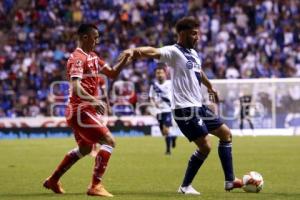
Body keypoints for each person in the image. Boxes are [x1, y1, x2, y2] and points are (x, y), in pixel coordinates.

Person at [120, 16, 243, 195]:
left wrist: (211, 87)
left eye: (198, 34)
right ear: (183, 34)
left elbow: (199, 72)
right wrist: (135, 50)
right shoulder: (174, 51)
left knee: (226, 134)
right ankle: (185, 187)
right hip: (184, 109)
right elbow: (153, 51)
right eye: (194, 34)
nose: (197, 37)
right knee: (205, 147)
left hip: (198, 106)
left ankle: (229, 181)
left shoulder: (193, 54)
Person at [43, 23, 129, 197]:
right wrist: (93, 99)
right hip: (80, 109)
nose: (97, 41)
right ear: (84, 37)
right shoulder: (77, 58)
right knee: (109, 141)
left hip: (81, 110)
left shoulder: (93, 57)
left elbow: (112, 73)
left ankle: (53, 180)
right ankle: (95, 186)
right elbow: (75, 85)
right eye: (95, 37)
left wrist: (126, 59)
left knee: (85, 150)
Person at [149, 66, 177, 155]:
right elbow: (151, 97)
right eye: (158, 73)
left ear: (165, 74)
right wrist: (153, 103)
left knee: (165, 129)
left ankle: (168, 151)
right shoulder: (154, 86)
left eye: (161, 73)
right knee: (163, 132)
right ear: (155, 75)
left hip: (168, 110)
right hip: (158, 111)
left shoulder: (170, 83)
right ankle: (172, 137)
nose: (159, 75)